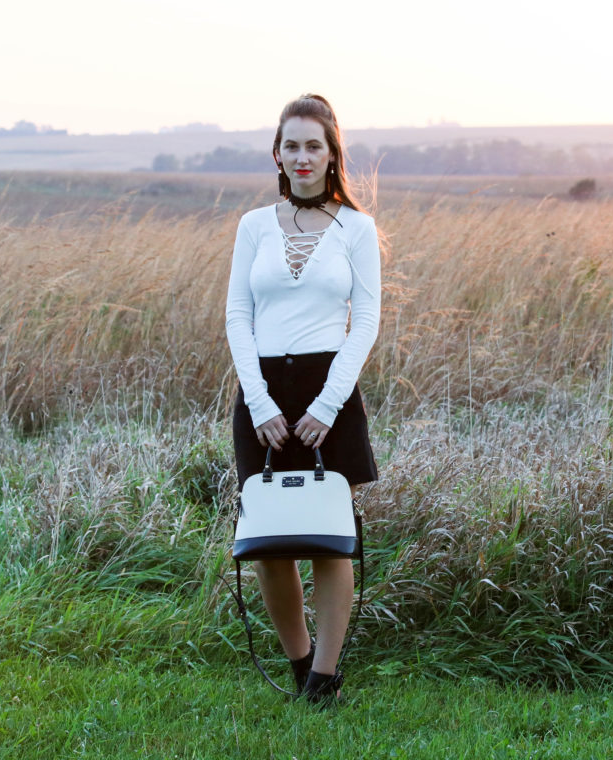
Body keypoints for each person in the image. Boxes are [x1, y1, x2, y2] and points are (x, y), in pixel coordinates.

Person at [225, 94, 381, 704]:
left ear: (332, 153)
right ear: (277, 154)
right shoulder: (253, 226)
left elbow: (365, 320)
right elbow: (239, 315)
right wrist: (259, 403)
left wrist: (328, 405)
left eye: (314, 144)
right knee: (271, 546)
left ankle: (325, 679)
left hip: (328, 391)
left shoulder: (357, 229)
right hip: (262, 394)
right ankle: (298, 667)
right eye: (292, 145)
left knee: (327, 537)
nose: (302, 156)